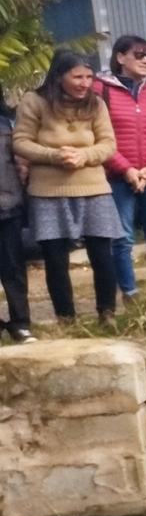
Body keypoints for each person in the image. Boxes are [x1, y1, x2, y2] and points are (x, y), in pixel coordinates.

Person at [14, 51, 121, 322]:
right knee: (56, 257)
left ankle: (106, 311)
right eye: (77, 77)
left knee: (101, 254)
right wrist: (53, 156)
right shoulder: (34, 101)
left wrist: (83, 156)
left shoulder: (96, 103)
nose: (84, 83)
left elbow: (108, 144)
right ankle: (66, 316)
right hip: (48, 191)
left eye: (89, 77)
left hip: (93, 187)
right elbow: (21, 141)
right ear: (59, 76)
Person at [98, 35, 146, 297]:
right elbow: (99, 136)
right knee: (123, 239)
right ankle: (130, 293)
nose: (145, 61)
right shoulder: (102, 91)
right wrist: (127, 169)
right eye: (138, 55)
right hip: (118, 177)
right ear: (120, 57)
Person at [0, 101, 32, 340]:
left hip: (7, 206)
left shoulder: (7, 125)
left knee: (13, 267)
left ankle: (20, 322)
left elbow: (21, 165)